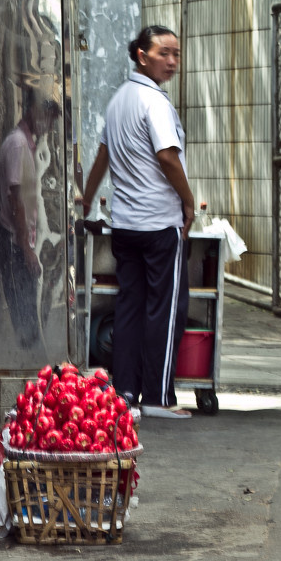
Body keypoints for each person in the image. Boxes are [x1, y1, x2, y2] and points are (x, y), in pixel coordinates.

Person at [79, 25, 195, 419]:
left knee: (129, 308)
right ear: (142, 56)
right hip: (159, 225)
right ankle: (159, 398)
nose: (172, 62)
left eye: (176, 54)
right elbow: (167, 156)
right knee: (165, 310)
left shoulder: (118, 100)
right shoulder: (154, 102)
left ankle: (125, 392)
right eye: (164, 53)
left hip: (126, 226)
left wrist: (88, 198)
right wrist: (188, 201)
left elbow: (102, 157)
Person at [0, 74, 61, 348]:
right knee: (25, 325)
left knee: (30, 322)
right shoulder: (18, 144)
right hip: (14, 247)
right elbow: (16, 200)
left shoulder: (27, 144)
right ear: (34, 110)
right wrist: (26, 249)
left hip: (21, 246)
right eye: (48, 117)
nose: (50, 125)